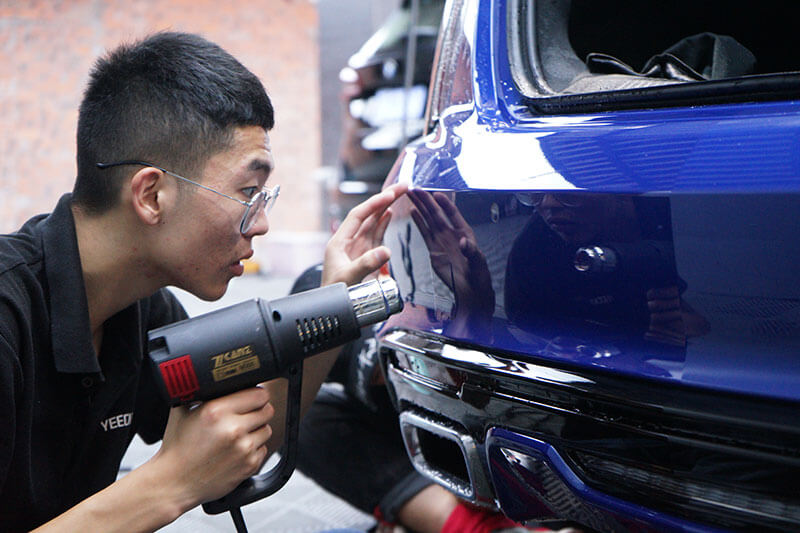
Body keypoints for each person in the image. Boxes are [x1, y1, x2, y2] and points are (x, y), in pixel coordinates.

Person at [0, 31, 406, 532]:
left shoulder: (140, 309)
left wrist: (332, 307)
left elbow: (241, 444)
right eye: (247, 192)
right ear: (152, 195)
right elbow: (188, 473)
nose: (260, 224)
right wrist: (171, 481)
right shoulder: (7, 317)